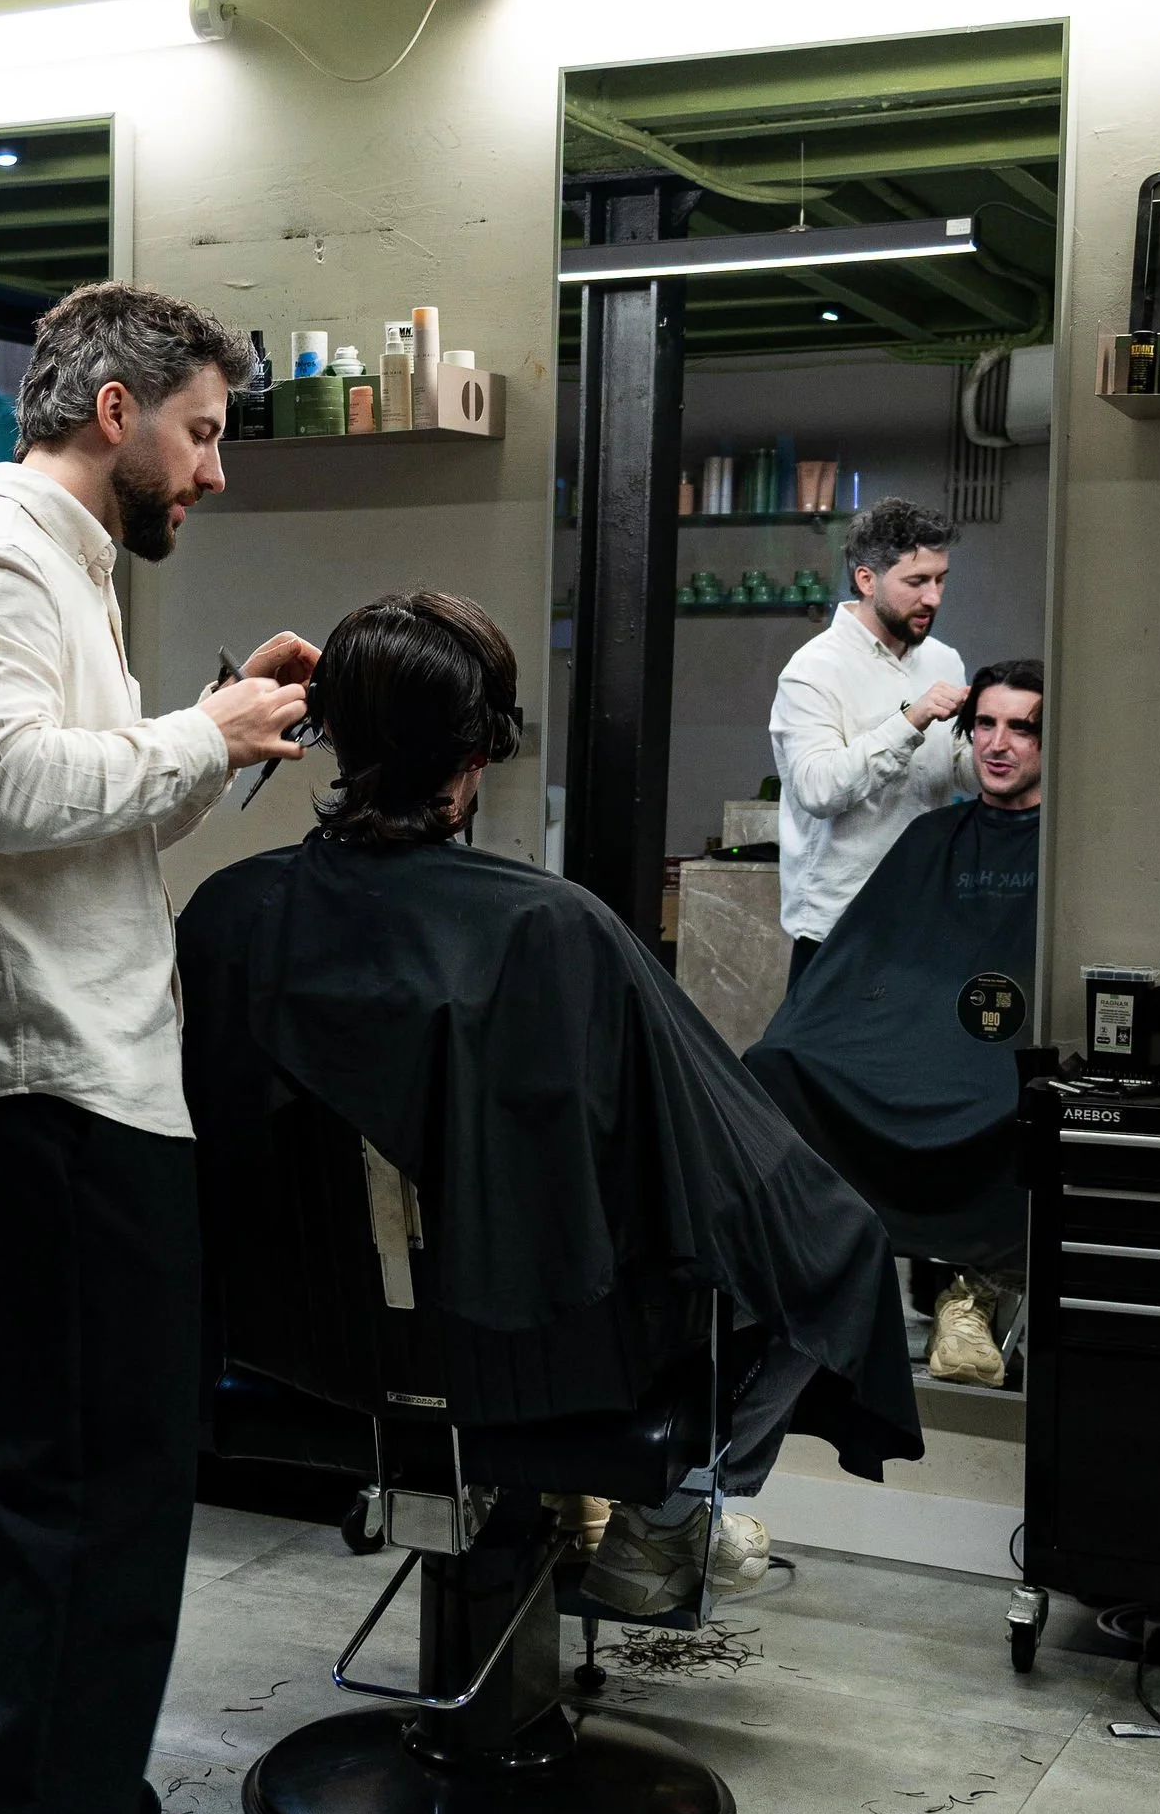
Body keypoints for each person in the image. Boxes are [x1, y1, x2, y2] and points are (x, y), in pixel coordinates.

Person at [0, 280, 317, 1814]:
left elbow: (74, 819)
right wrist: (202, 732)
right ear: (114, 412)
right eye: (201, 434)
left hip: (34, 1080)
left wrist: (220, 730)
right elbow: (4, 795)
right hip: (42, 1090)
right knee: (79, 1495)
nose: (213, 473)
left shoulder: (64, 577)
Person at [176, 594, 919, 1632]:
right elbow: (746, 1181)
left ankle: (553, 1494)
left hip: (303, 1356)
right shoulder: (553, 931)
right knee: (830, 1237)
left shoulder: (228, 916)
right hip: (538, 1368)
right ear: (482, 753)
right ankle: (666, 1527)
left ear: (321, 731)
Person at [746, 662, 1045, 1389]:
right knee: (777, 1061)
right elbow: (872, 954)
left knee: (1018, 1099)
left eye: (1021, 728)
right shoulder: (932, 837)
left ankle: (975, 1293)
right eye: (984, 725)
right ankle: (819, 1287)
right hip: (915, 1037)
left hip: (999, 1047)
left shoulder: (1072, 851)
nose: (998, 744)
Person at [769, 495, 973, 974]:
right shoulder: (812, 671)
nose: (934, 598)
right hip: (841, 929)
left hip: (926, 915)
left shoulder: (945, 660)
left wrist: (1008, 741)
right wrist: (910, 721)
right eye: (917, 581)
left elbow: (961, 770)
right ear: (866, 579)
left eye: (941, 579)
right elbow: (818, 791)